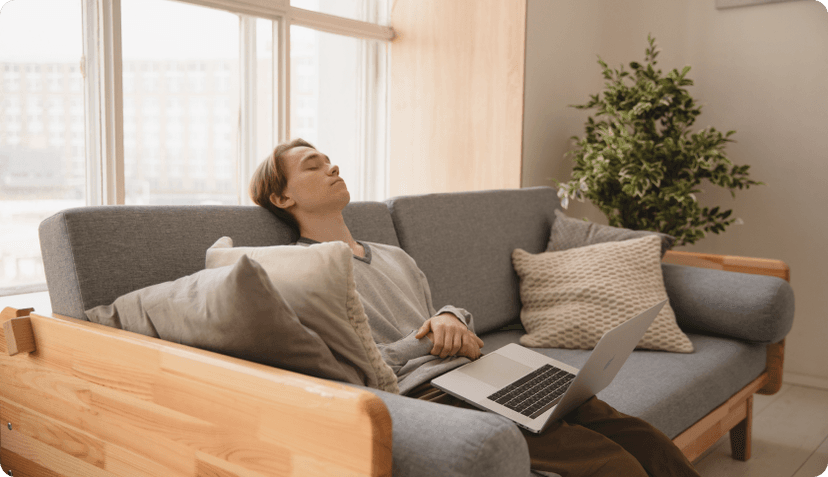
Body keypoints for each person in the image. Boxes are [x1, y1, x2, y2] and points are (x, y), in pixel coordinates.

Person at [249, 138, 702, 477]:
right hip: (427, 393)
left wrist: (449, 318)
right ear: (283, 197)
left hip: (481, 370)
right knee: (611, 464)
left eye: (329, 160)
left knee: (640, 435)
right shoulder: (303, 270)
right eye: (314, 166)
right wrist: (425, 340)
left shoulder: (392, 255)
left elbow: (438, 314)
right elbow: (350, 366)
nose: (332, 167)